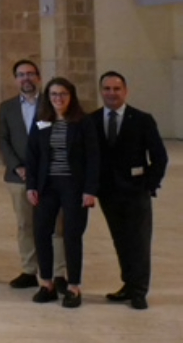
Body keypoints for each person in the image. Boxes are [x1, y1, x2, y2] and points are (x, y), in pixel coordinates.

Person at [91, 71, 168, 310]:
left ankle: (139, 291)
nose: (111, 93)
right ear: (101, 91)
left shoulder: (142, 119)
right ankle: (127, 284)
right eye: (107, 89)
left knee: (139, 242)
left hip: (136, 192)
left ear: (125, 91)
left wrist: (149, 185)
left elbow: (159, 157)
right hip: (108, 193)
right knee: (120, 240)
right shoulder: (92, 120)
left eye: (116, 89)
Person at [27, 77, 100, 308]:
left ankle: (73, 287)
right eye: (54, 94)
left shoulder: (83, 122)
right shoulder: (41, 121)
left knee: (71, 235)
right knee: (41, 232)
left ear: (71, 97)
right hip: (47, 186)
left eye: (63, 94)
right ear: (48, 97)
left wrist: (90, 190)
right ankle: (46, 283)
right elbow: (32, 155)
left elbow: (93, 158)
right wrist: (31, 186)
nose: (58, 98)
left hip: (73, 186)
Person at [0, 59, 65, 289]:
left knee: (56, 226)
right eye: (21, 74)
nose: (26, 78)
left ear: (39, 77)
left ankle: (58, 273)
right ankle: (29, 269)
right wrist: (18, 166)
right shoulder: (6, 107)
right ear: (15, 79)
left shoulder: (52, 103)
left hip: (50, 177)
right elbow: (3, 140)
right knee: (25, 225)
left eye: (30, 74)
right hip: (19, 177)